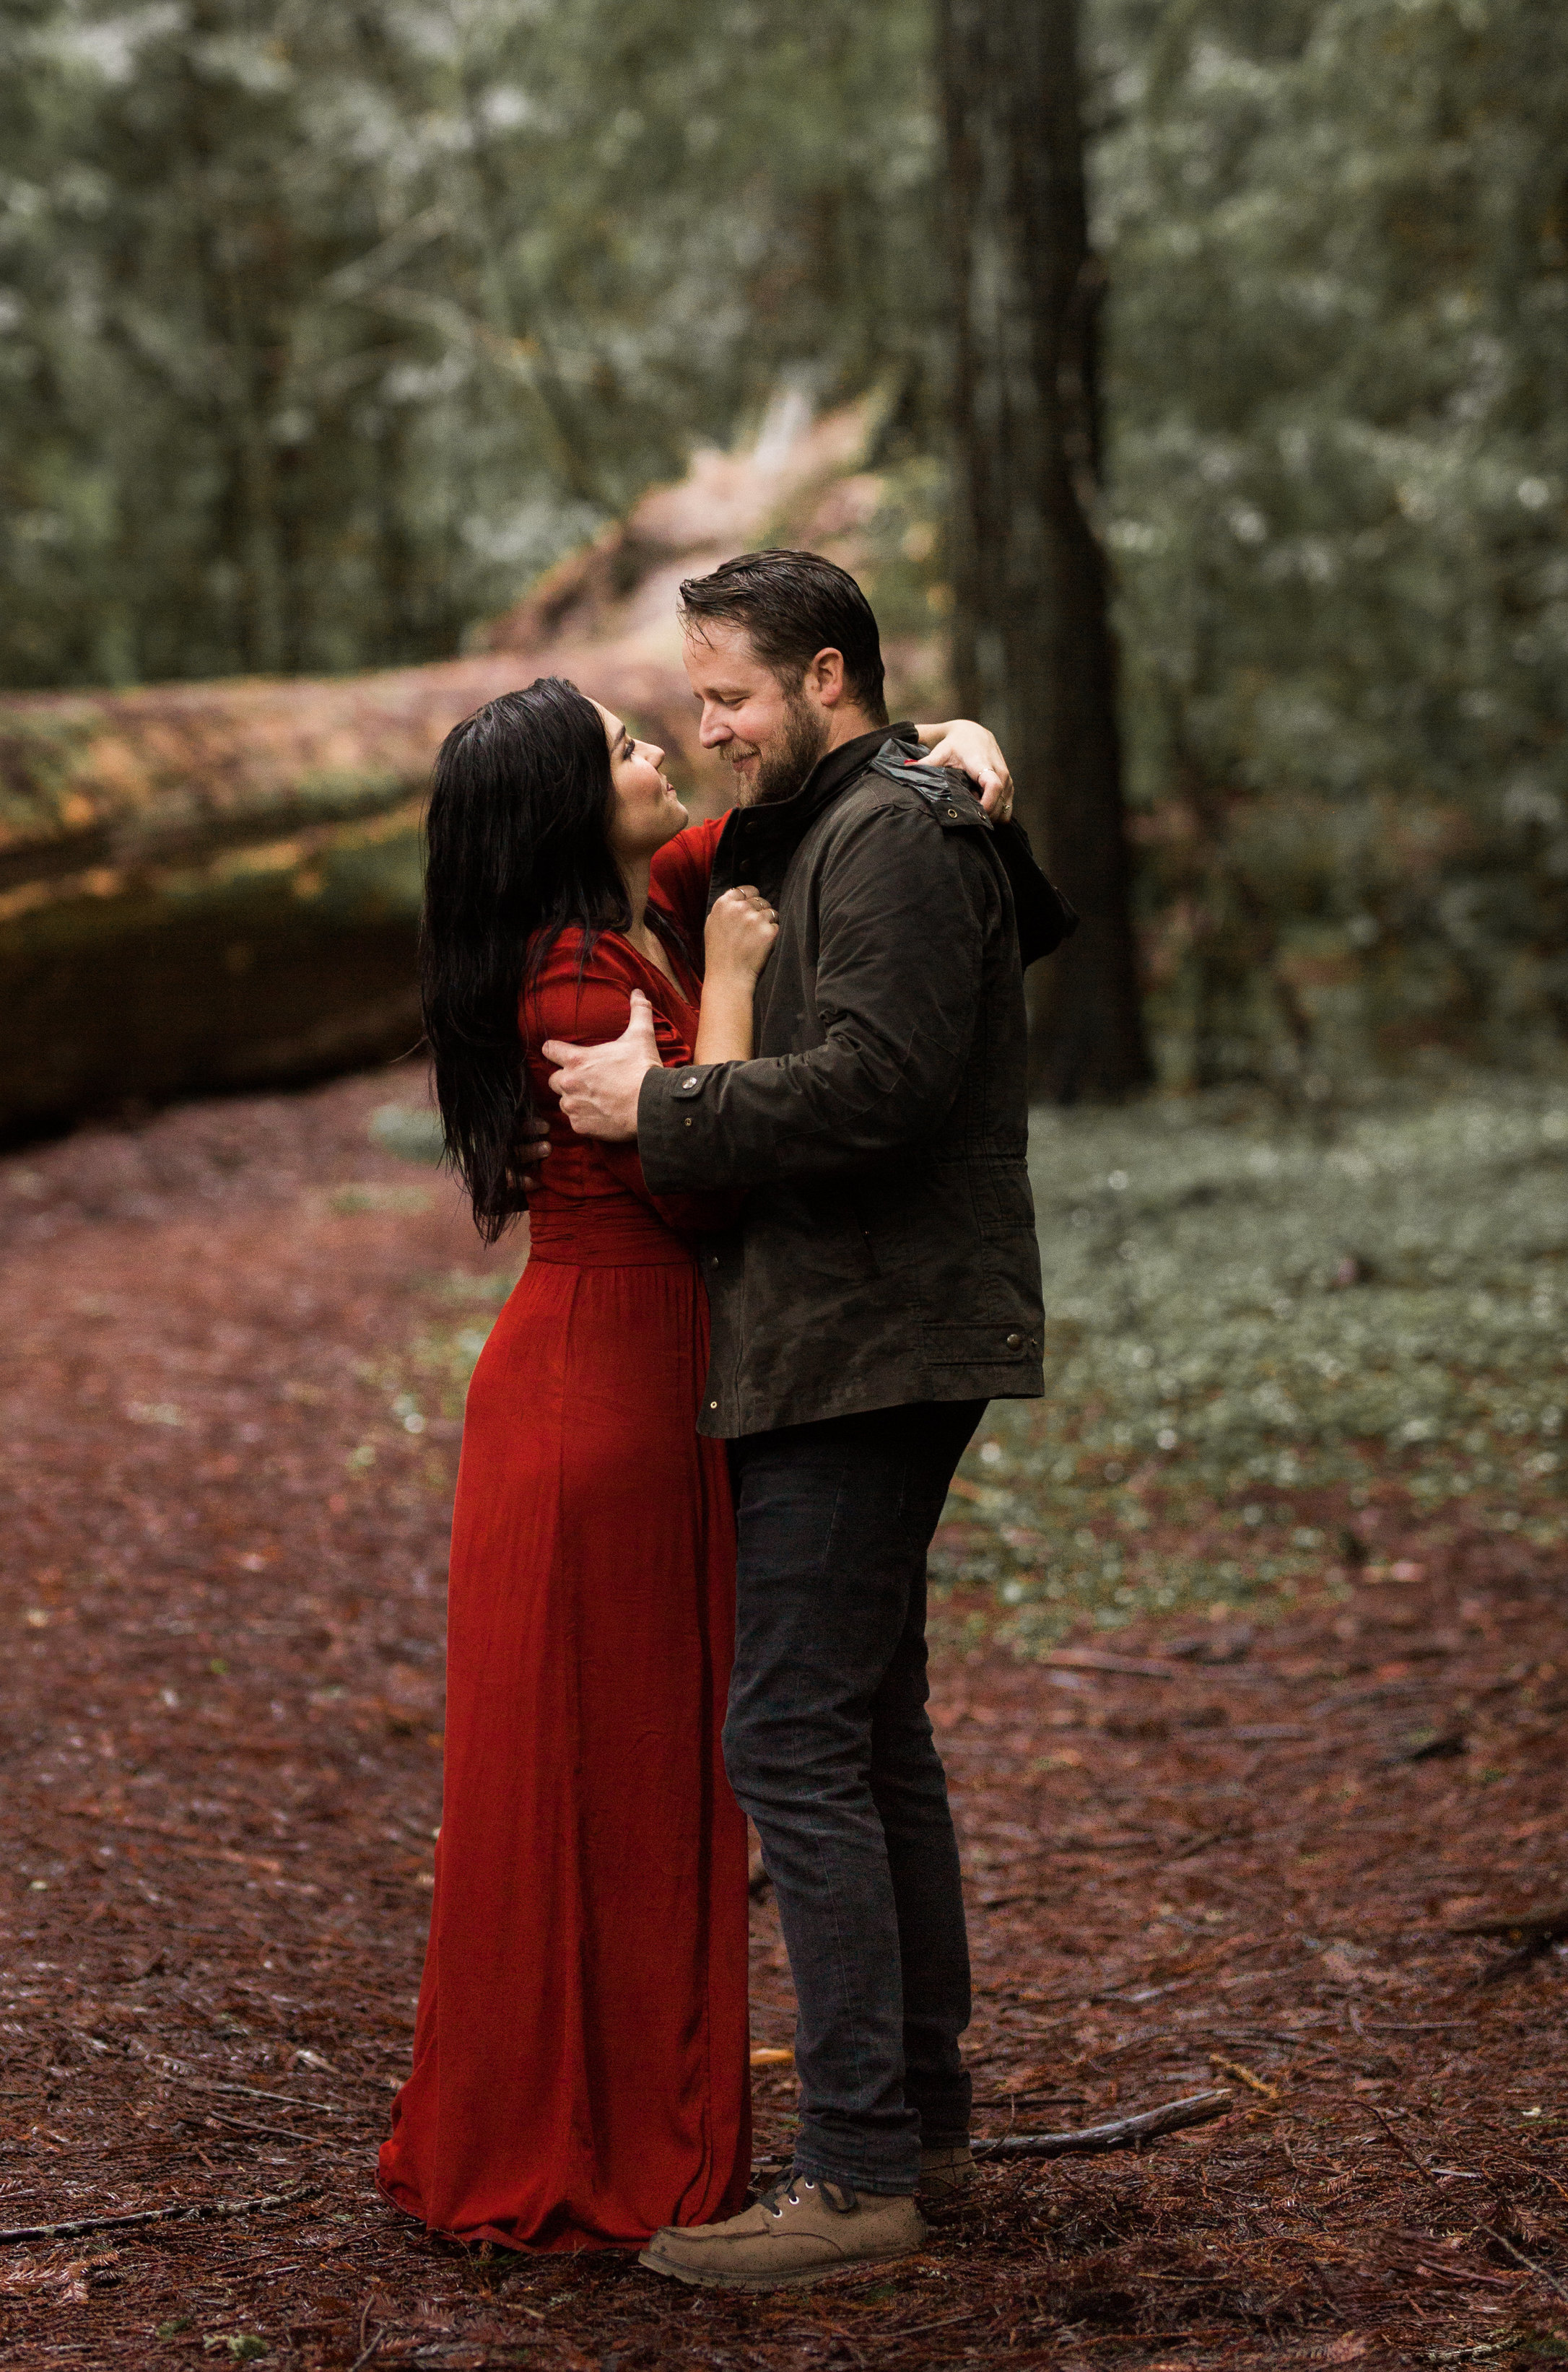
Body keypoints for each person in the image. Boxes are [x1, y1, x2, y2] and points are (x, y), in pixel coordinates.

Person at [376, 669, 1011, 2254]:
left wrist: (963, 748)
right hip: (609, 1384)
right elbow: (701, 1192)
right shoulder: (588, 975)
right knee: (615, 1765)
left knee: (620, 1760)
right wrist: (724, 982)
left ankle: (621, 2100)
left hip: (609, 1371)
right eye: (620, 749)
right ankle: (583, 2129)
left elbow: (779, 805)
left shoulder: (625, 906)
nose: (660, 746)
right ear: (559, 811)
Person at [544, 549, 1048, 2290]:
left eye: (729, 698)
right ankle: (916, 2128)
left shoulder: (890, 826)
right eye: (689, 702)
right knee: (866, 1731)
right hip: (845, 1331)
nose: (706, 730)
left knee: (791, 1743)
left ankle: (852, 2180)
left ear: (824, 679)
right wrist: (957, 744)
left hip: (871, 1337)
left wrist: (662, 1104)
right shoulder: (847, 811)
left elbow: (888, 1086)